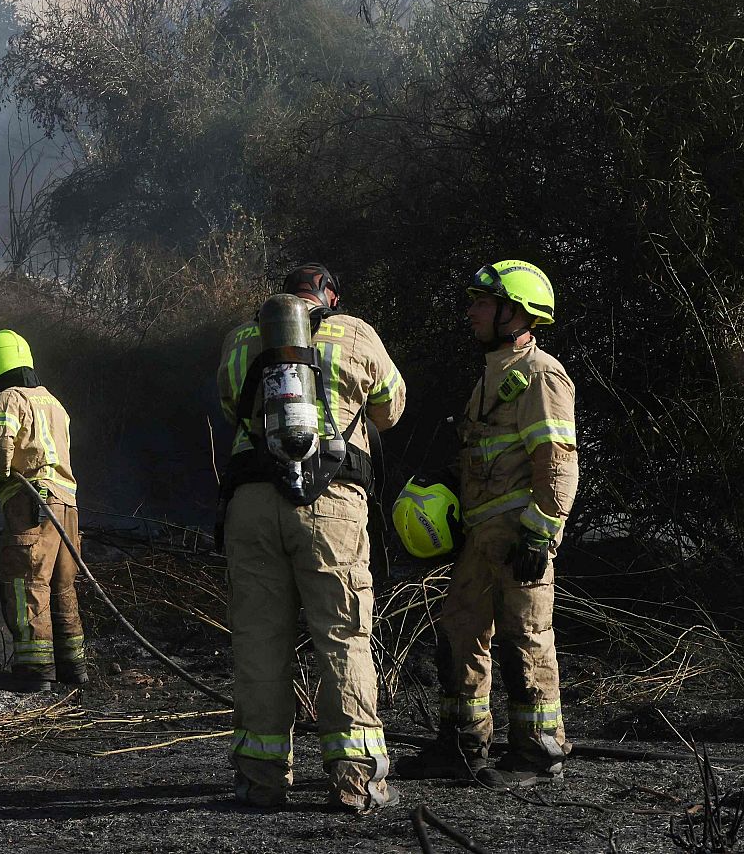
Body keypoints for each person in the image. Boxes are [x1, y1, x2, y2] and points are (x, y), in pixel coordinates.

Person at [217, 264, 406, 812]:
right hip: (332, 505)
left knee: (257, 639)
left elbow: (231, 404)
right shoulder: (357, 333)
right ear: (330, 298)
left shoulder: (241, 339)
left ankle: (261, 777)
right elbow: (390, 409)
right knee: (343, 635)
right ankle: (356, 778)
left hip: (252, 504)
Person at [396, 260, 577, 789]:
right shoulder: (492, 375)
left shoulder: (542, 374)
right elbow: (490, 452)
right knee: (459, 633)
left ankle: (537, 754)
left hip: (520, 531)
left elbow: (559, 461)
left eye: (482, 302)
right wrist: (447, 478)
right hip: (481, 534)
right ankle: (461, 744)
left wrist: (541, 532)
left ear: (515, 311)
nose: (471, 311)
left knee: (527, 636)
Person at [0, 330, 85, 693]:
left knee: (26, 583)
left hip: (32, 503)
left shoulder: (8, 398)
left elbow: (1, 447)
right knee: (62, 586)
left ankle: (35, 672)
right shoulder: (54, 402)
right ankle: (73, 667)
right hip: (66, 506)